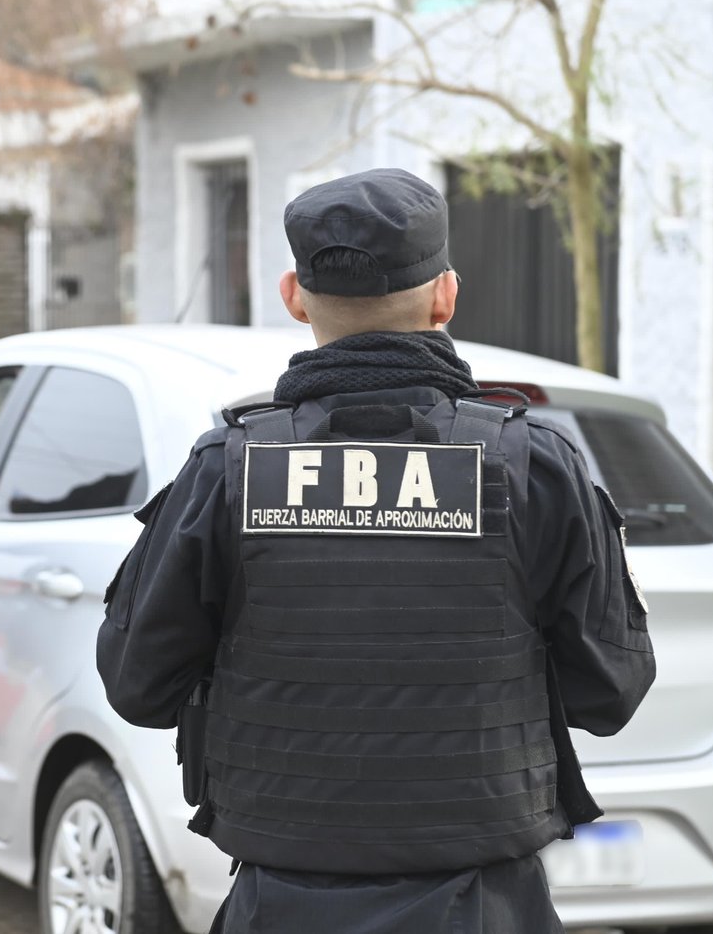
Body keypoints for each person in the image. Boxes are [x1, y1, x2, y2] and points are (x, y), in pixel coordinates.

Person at [96, 169, 656, 934]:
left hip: (279, 907)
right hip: (484, 908)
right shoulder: (534, 468)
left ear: (294, 297)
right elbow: (610, 693)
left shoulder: (227, 469)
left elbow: (138, 685)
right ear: (445, 297)